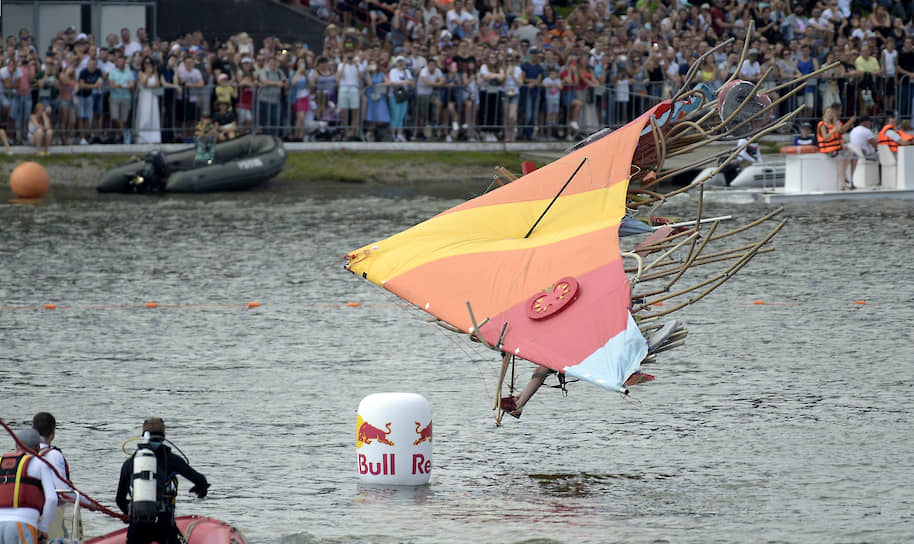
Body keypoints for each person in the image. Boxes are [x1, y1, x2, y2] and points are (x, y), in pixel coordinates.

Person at [115, 418, 208, 544]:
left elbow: (120, 500)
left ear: (143, 436)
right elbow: (200, 480)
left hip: (137, 526)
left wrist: (133, 512)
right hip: (165, 525)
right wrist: (201, 489)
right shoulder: (172, 460)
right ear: (163, 437)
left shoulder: (130, 463)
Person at [32, 412, 94, 542]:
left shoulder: (24, 456)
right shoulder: (54, 455)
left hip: (26, 517)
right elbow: (64, 492)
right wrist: (90, 504)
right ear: (53, 432)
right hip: (49, 519)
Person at [0, 428, 58, 544]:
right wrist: (43, 528)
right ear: (37, 447)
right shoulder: (40, 463)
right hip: (23, 523)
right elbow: (52, 499)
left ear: (16, 446)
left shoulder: (1, 461)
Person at [817, 103, 855, 190]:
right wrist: (833, 130)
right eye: (828, 112)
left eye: (831, 112)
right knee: (841, 159)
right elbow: (826, 137)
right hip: (827, 150)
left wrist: (848, 123)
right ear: (824, 114)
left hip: (836, 148)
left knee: (850, 152)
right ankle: (843, 185)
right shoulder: (822, 125)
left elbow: (840, 132)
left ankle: (844, 174)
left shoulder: (834, 124)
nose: (830, 114)